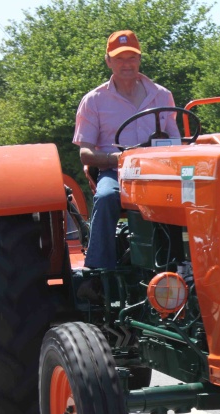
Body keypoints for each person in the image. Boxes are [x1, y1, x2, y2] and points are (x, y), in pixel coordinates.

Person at [73, 30, 180, 301]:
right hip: (117, 171)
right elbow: (86, 153)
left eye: (132, 57)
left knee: (192, 197)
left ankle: (183, 267)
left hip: (158, 171)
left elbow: (177, 140)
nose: (127, 63)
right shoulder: (94, 100)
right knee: (107, 196)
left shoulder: (162, 95)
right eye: (120, 58)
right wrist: (118, 159)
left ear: (140, 59)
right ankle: (98, 272)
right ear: (108, 61)